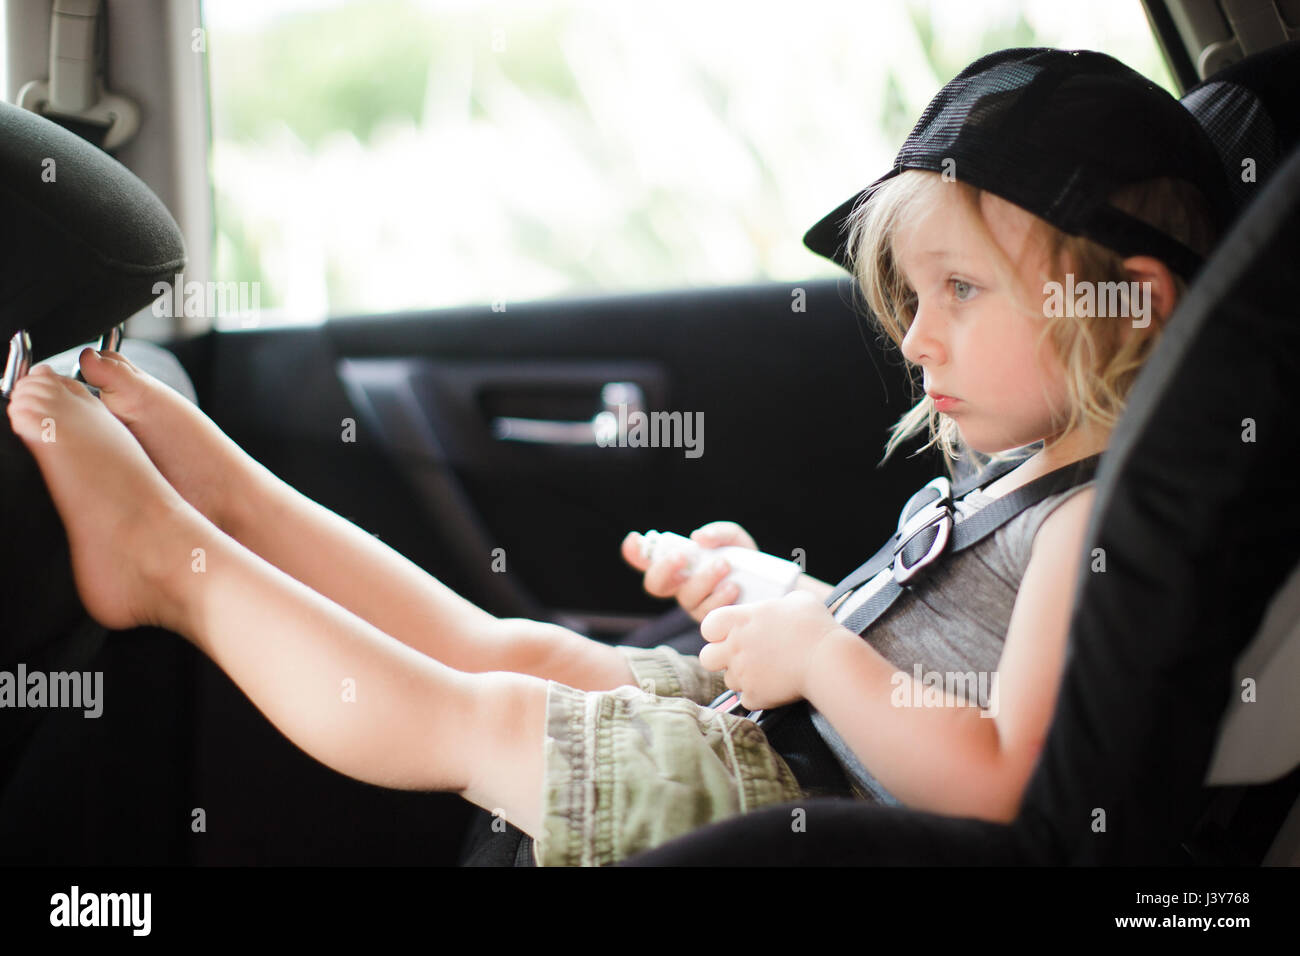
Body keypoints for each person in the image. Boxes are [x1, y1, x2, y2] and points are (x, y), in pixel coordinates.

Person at [5, 48, 1228, 866]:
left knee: (475, 712)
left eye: (961, 288)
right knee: (525, 650)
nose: (916, 333)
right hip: (789, 735)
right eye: (913, 292)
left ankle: (167, 562)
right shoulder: (1029, 473)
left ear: (1130, 303)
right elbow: (936, 656)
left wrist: (816, 651)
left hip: (804, 805)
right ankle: (221, 491)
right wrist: (794, 603)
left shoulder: (1094, 524)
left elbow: (1003, 783)